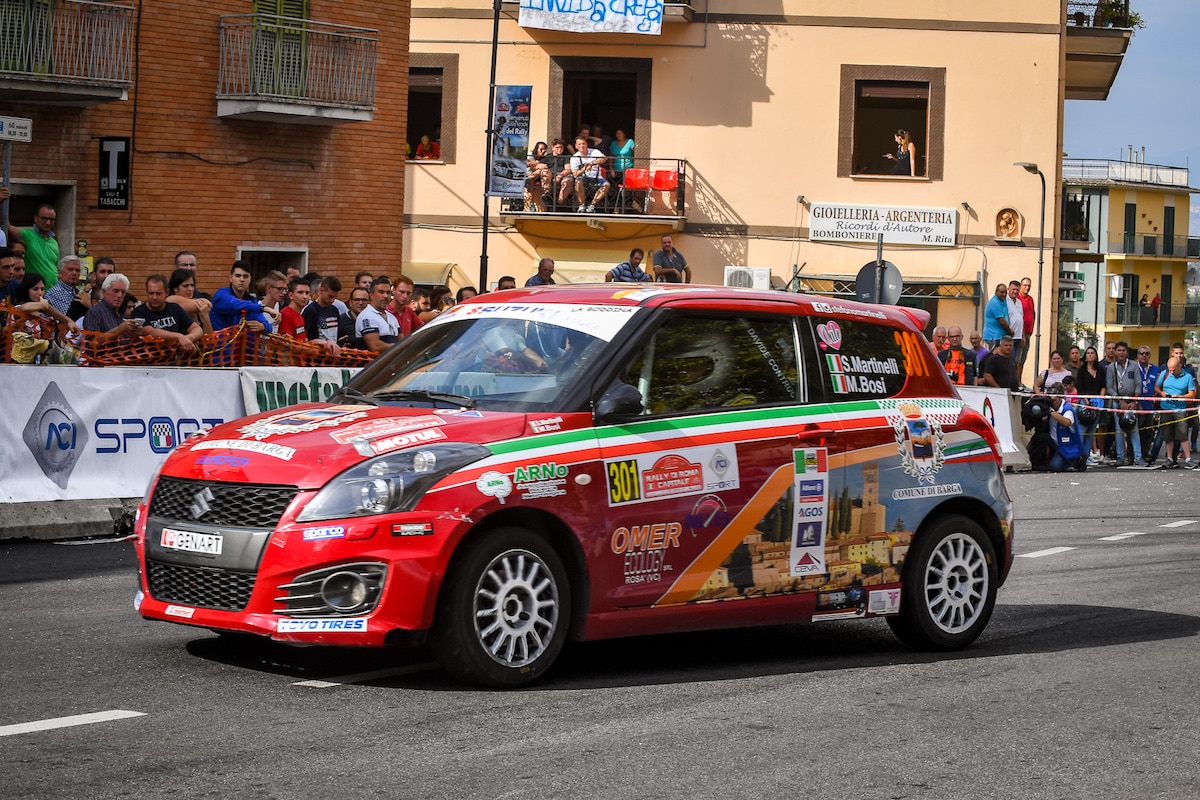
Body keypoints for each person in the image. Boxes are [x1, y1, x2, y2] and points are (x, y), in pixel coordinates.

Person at [9, 272, 80, 360]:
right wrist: (44, 305)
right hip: (15, 362)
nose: (40, 293)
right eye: (35, 289)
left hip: (34, 362)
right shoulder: (18, 309)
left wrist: (67, 321)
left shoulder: (41, 314)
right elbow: (28, 308)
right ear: (26, 290)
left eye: (42, 289)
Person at [131, 274, 202, 353]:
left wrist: (187, 339)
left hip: (176, 360)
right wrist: (179, 337)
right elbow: (149, 331)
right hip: (151, 361)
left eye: (158, 294)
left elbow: (197, 329)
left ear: (166, 292)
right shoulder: (139, 312)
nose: (154, 297)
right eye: (151, 293)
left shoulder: (174, 308)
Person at [1104, 341, 1146, 466]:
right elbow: (1109, 387)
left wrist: (1134, 401)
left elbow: (1138, 384)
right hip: (1118, 403)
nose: (1121, 353)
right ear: (1115, 352)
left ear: (1126, 352)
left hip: (1132, 402)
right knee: (1119, 431)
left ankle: (1138, 458)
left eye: (1123, 350)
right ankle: (1120, 457)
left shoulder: (1134, 365)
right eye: (1119, 350)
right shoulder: (1111, 367)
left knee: (1134, 429)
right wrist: (1119, 400)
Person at [1154, 356, 1196, 469]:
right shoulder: (1165, 373)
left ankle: (1188, 458)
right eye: (1170, 369)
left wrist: (1180, 397)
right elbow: (1157, 387)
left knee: (1183, 434)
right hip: (1166, 408)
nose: (1171, 372)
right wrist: (1162, 394)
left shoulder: (1187, 377)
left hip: (1180, 409)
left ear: (1180, 366)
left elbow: (1192, 393)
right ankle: (1169, 458)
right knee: (1168, 435)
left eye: (1174, 369)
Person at [210, 260, 274, 332]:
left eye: (245, 276)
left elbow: (268, 326)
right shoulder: (221, 294)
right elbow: (234, 304)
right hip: (221, 342)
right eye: (238, 276)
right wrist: (263, 308)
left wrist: (263, 326)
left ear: (250, 279)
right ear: (230, 278)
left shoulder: (252, 301)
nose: (242, 279)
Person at [7, 203, 59, 287]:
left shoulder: (54, 242)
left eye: (51, 219)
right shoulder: (27, 236)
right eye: (44, 218)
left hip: (52, 293)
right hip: (33, 293)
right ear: (35, 218)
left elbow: (55, 269)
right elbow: (8, 227)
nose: (48, 222)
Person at [1045, 382, 1086, 472]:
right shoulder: (1048, 406)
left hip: (1067, 447)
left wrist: (1051, 412)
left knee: (1054, 466)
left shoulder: (1067, 409)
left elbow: (1066, 422)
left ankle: (1074, 461)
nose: (1052, 402)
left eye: (1054, 400)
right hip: (1054, 444)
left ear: (1060, 398)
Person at [1075, 345, 1106, 464]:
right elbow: (1080, 388)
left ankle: (1087, 456)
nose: (1090, 355)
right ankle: (1079, 455)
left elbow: (1103, 385)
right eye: (1088, 353)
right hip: (1085, 402)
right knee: (1083, 431)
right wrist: (1088, 402)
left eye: (1092, 353)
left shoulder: (1100, 369)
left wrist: (1101, 398)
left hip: (1098, 402)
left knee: (1092, 432)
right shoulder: (1082, 370)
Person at [357, 277, 400, 353]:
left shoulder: (392, 317)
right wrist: (398, 346)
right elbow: (375, 346)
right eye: (381, 292)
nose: (386, 296)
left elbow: (402, 340)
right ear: (371, 295)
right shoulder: (367, 316)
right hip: (372, 364)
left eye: (388, 292)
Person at [167, 268, 215, 335]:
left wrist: (205, 317)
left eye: (192, 285)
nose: (190, 289)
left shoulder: (196, 305)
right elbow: (207, 303)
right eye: (185, 286)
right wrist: (203, 302)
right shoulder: (170, 300)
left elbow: (209, 339)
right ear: (175, 288)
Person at [569, 134, 609, 212]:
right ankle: (582, 205)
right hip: (583, 177)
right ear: (576, 146)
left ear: (586, 144)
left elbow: (604, 158)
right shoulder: (574, 157)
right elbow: (575, 174)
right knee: (578, 182)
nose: (582, 146)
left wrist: (592, 163)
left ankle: (592, 205)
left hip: (597, 177)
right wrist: (584, 169)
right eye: (579, 144)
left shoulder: (594, 151)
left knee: (607, 185)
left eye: (583, 143)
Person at [1134, 345, 1160, 460]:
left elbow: (1159, 386)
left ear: (1150, 355)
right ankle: (1132, 455)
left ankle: (1145, 455)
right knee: (1135, 431)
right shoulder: (1133, 368)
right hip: (1137, 404)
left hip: (1149, 405)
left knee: (1148, 432)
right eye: (1141, 353)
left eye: (1146, 353)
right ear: (1138, 355)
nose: (1144, 355)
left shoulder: (1155, 369)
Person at [982, 284, 1012, 349]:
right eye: (1001, 292)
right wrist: (1010, 331)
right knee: (995, 357)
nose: (1004, 294)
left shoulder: (1003, 300)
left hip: (1000, 335)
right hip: (994, 336)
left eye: (1005, 292)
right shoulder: (995, 302)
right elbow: (1002, 321)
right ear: (996, 292)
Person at [525, 141, 552, 211]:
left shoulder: (543, 158)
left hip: (536, 176)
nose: (543, 151)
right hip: (527, 174)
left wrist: (538, 166)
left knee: (541, 171)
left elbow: (543, 166)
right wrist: (536, 164)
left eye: (545, 150)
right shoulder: (530, 155)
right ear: (536, 149)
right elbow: (525, 163)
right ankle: (530, 205)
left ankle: (533, 205)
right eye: (541, 149)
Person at [1006, 280, 1025, 380]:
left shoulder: (1019, 302)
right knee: (1010, 360)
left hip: (1018, 336)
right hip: (1010, 337)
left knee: (1017, 361)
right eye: (1013, 289)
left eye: (1017, 290)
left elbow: (1021, 319)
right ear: (1009, 289)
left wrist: (1023, 336)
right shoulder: (1005, 301)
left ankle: (1015, 381)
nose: (1015, 292)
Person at [1017, 277, 1036, 370]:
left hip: (1028, 332)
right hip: (1020, 333)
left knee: (1023, 358)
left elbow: (1033, 313)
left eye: (1029, 285)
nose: (1027, 287)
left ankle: (1019, 380)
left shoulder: (1030, 299)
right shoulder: (1017, 299)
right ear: (1020, 286)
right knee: (1018, 357)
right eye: (1025, 285)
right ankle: (1016, 381)